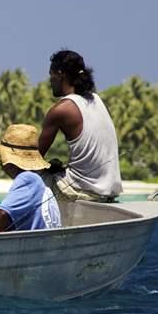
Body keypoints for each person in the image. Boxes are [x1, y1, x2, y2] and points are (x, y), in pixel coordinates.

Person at [38, 49, 122, 203]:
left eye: (51, 74)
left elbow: (34, 159)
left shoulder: (61, 109)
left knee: (25, 174)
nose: (50, 80)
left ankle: (11, 219)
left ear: (60, 73)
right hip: (107, 191)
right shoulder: (97, 100)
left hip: (82, 190)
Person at [0, 123, 61, 233]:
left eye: (1, 157)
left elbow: (3, 214)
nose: (0, 162)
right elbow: (7, 222)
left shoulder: (27, 179)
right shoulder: (36, 180)